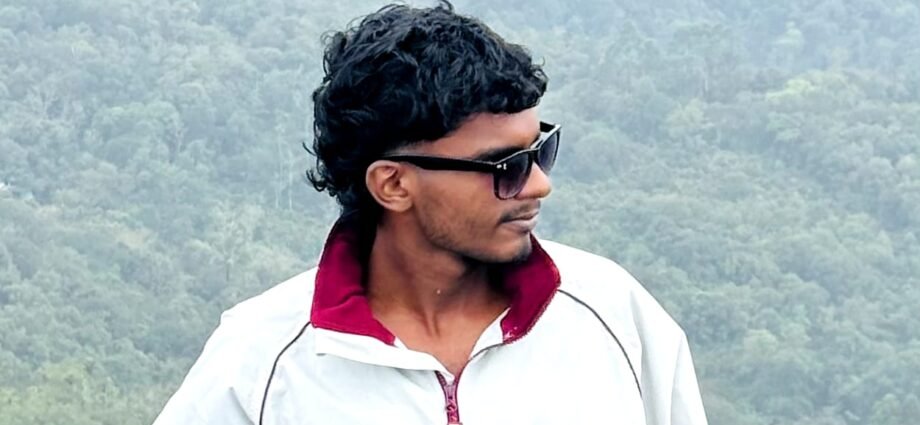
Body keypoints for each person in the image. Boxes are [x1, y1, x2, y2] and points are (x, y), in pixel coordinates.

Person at [152, 1, 708, 424]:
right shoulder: (261, 362)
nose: (540, 184)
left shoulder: (613, 316)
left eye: (541, 150)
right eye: (506, 166)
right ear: (393, 185)